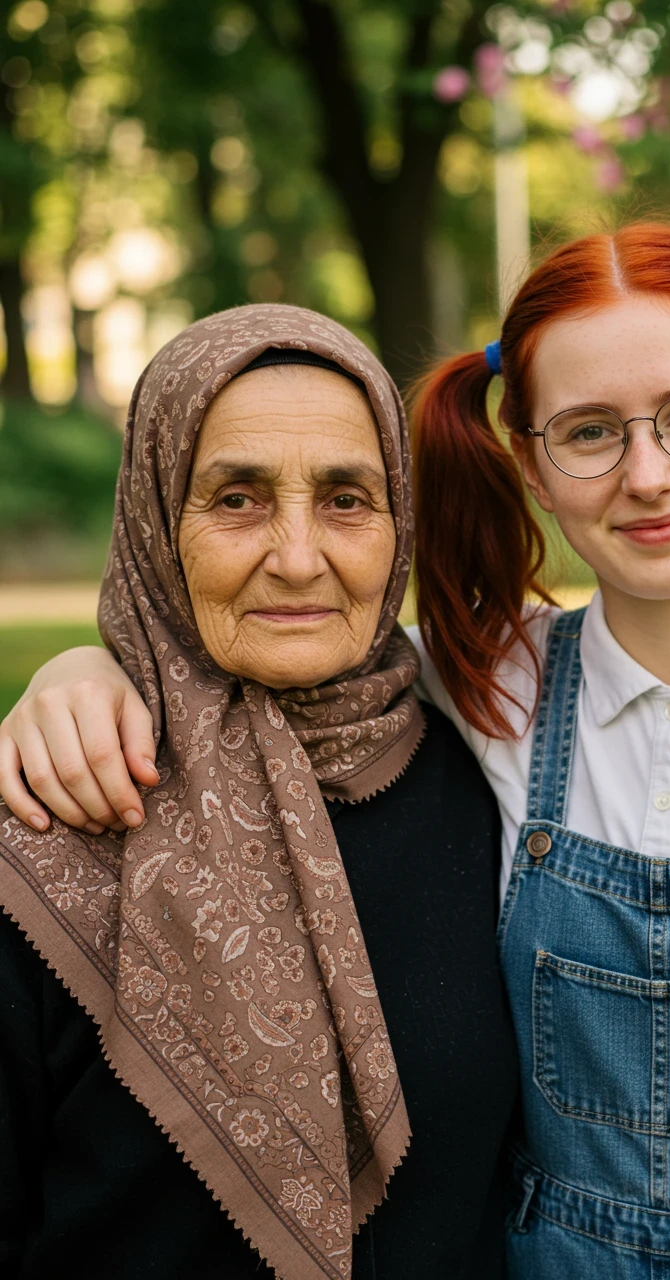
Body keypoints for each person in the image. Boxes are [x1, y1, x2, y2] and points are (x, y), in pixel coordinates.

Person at [5, 225, 670, 1277]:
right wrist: (77, 671)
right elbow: (280, 655)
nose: (647, 473)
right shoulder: (485, 693)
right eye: (589, 431)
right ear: (529, 463)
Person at [0, 306, 517, 1280]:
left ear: (397, 520)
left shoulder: (488, 771)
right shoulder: (43, 813)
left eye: (345, 498)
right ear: (157, 516)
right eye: (235, 497)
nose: (295, 555)